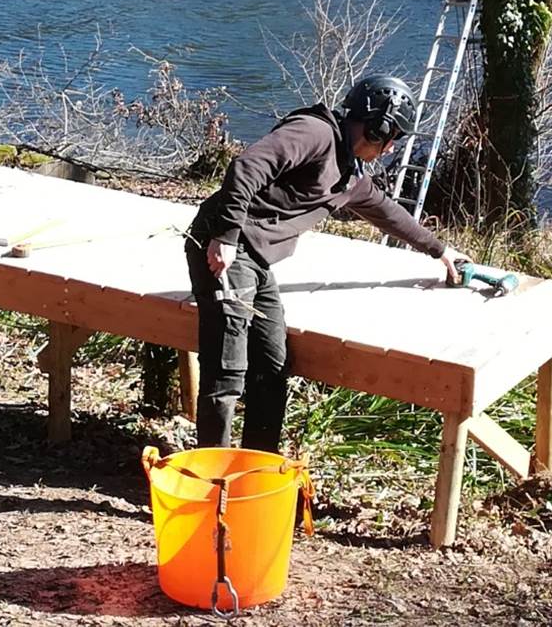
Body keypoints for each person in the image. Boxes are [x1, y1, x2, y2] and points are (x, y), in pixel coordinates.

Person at [184, 74, 473, 453]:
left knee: (272, 365)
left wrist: (440, 251)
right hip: (224, 248)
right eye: (392, 138)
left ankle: (258, 471)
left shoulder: (349, 174)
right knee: (227, 374)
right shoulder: (314, 133)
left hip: (256, 260)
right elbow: (246, 166)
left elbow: (388, 214)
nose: (389, 149)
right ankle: (213, 479)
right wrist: (225, 236)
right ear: (377, 127)